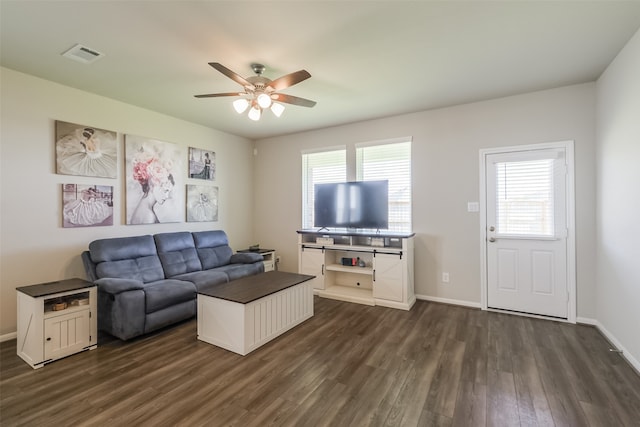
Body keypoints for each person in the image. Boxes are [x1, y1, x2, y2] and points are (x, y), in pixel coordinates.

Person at [129, 156, 175, 224]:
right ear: (152, 185)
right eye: (165, 191)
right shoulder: (149, 216)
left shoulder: (143, 209)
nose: (167, 196)